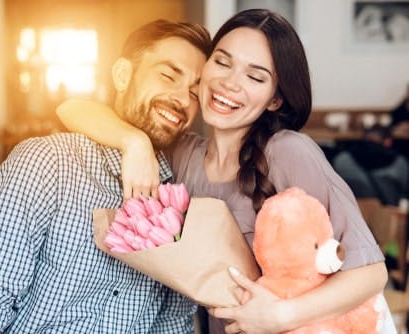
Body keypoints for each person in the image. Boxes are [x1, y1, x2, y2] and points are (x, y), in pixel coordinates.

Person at [57, 9, 393, 334]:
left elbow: (371, 273)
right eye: (222, 62)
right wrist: (134, 142)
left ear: (275, 99)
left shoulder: (288, 152)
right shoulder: (183, 154)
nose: (230, 83)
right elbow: (70, 108)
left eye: (255, 76)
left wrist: (279, 315)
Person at [0, 19, 217, 334]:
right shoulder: (48, 164)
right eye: (168, 75)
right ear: (122, 75)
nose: (183, 100)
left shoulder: (175, 195)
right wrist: (134, 141)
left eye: (195, 94)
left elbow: (171, 324)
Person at [333, 124, 409, 205]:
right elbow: (405, 193)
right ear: (388, 142)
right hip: (387, 214)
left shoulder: (341, 160)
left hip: (351, 213)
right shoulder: (399, 163)